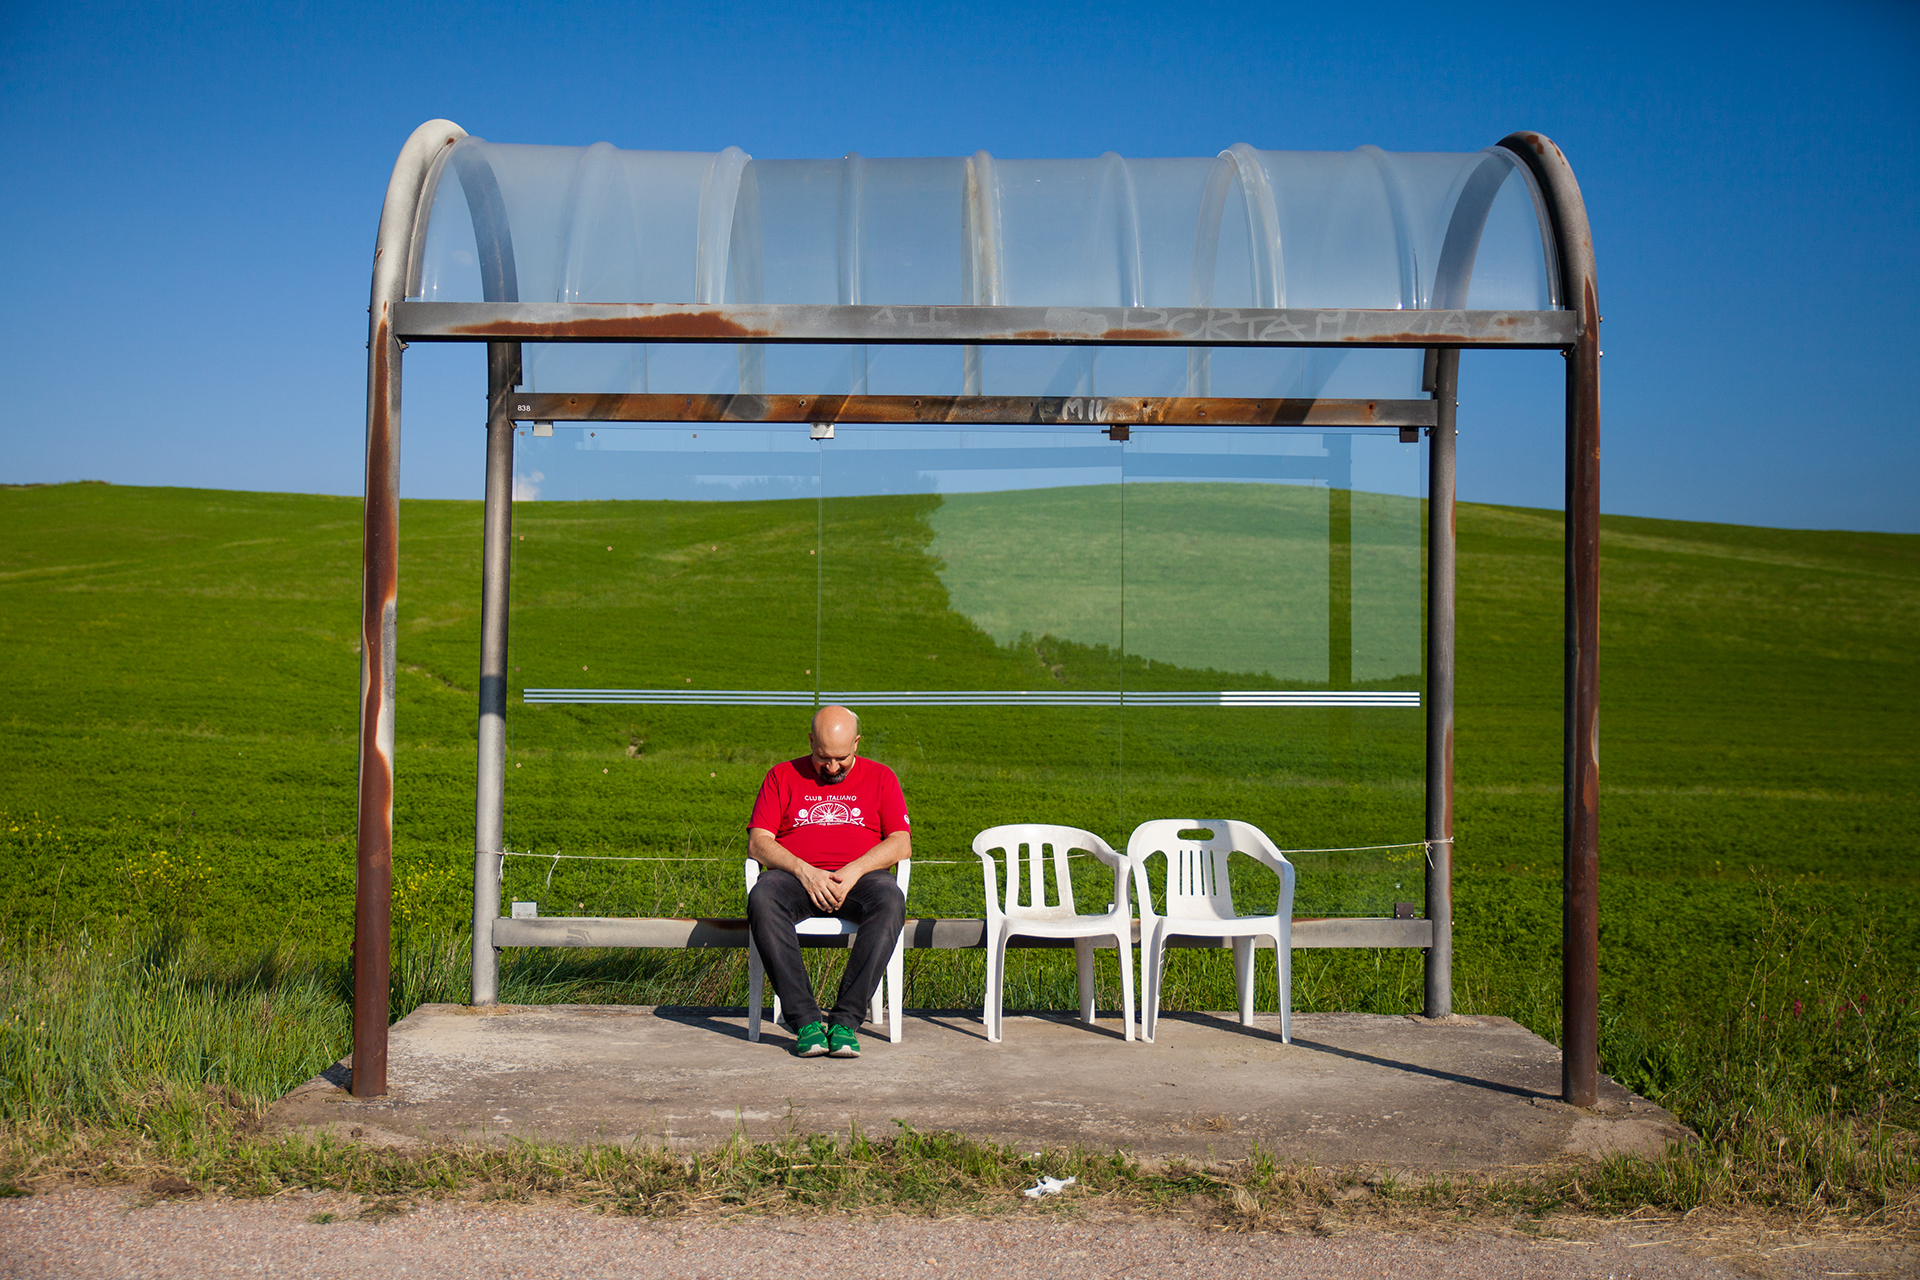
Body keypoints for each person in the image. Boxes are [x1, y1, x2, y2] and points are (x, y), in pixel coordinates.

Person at [746, 705, 910, 1058]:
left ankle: (845, 1022)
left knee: (890, 899)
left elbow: (901, 842)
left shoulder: (882, 778)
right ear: (810, 742)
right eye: (823, 758)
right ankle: (805, 1021)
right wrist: (804, 871)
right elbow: (759, 841)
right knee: (763, 897)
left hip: (861, 879)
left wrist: (854, 870)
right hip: (796, 878)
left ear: (857, 744)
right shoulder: (781, 776)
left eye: (842, 758)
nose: (832, 767)